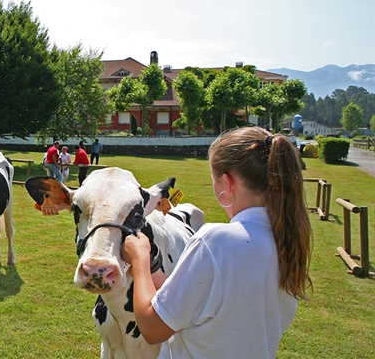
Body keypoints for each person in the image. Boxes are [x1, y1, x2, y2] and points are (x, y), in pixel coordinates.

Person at [121, 126, 312, 358]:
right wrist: (161, 278)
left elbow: (152, 329)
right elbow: (226, 303)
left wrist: (140, 261)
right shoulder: (287, 242)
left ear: (227, 183)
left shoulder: (216, 242)